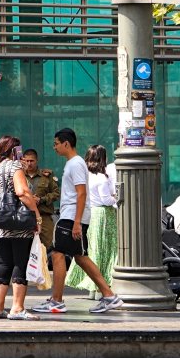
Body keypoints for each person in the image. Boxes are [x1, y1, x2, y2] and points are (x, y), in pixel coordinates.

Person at [33, 128, 122, 314]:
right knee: (79, 257)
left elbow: (81, 193)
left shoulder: (75, 164)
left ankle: (58, 301)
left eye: (56, 143)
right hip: (71, 216)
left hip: (71, 217)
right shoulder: (73, 164)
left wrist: (76, 222)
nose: (54, 147)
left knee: (60, 254)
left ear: (66, 143)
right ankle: (108, 296)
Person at [0, 135, 40, 320]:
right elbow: (22, 192)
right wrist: (36, 215)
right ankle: (17, 308)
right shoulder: (15, 166)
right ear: (14, 150)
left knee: (4, 262)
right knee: (19, 262)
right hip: (18, 222)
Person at [66, 145, 117, 296]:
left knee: (92, 249)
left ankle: (92, 289)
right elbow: (106, 200)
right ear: (103, 158)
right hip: (103, 215)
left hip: (88, 213)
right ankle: (103, 288)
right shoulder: (101, 177)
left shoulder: (83, 176)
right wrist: (116, 196)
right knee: (105, 249)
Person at [22, 148, 59, 249]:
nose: (29, 164)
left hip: (44, 217)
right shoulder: (19, 176)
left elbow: (56, 193)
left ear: (36, 160)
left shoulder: (46, 175)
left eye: (32, 161)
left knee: (48, 248)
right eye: (27, 161)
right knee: (25, 249)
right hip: (24, 217)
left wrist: (41, 199)